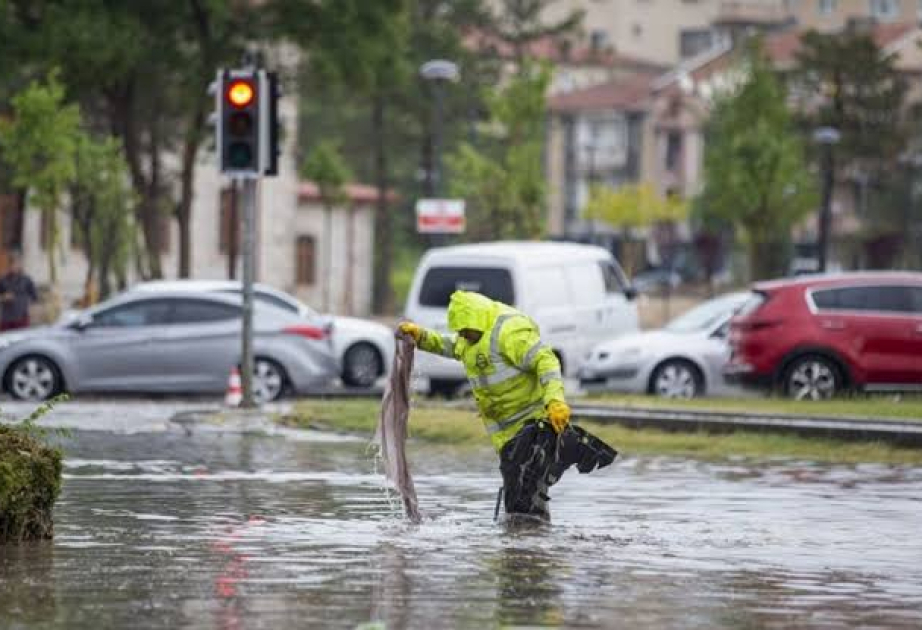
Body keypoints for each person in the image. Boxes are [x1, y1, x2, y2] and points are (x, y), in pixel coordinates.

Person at [399, 290, 615, 521]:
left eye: (465, 331)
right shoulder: (469, 338)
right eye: (460, 332)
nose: (462, 335)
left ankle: (524, 548)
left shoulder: (509, 333)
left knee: (522, 495)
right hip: (505, 436)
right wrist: (421, 337)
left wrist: (555, 401)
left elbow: (546, 360)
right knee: (524, 495)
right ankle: (529, 546)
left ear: (477, 321)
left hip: (532, 426)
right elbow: (451, 346)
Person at [0, 252, 37, 331]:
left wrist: (28, 305)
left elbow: (34, 296)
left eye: (16, 264)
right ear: (9, 265)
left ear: (20, 265)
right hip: (6, 319)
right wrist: (3, 297)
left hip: (22, 318)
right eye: (12, 264)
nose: (14, 266)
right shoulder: (3, 280)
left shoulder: (26, 280)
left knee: (23, 340)